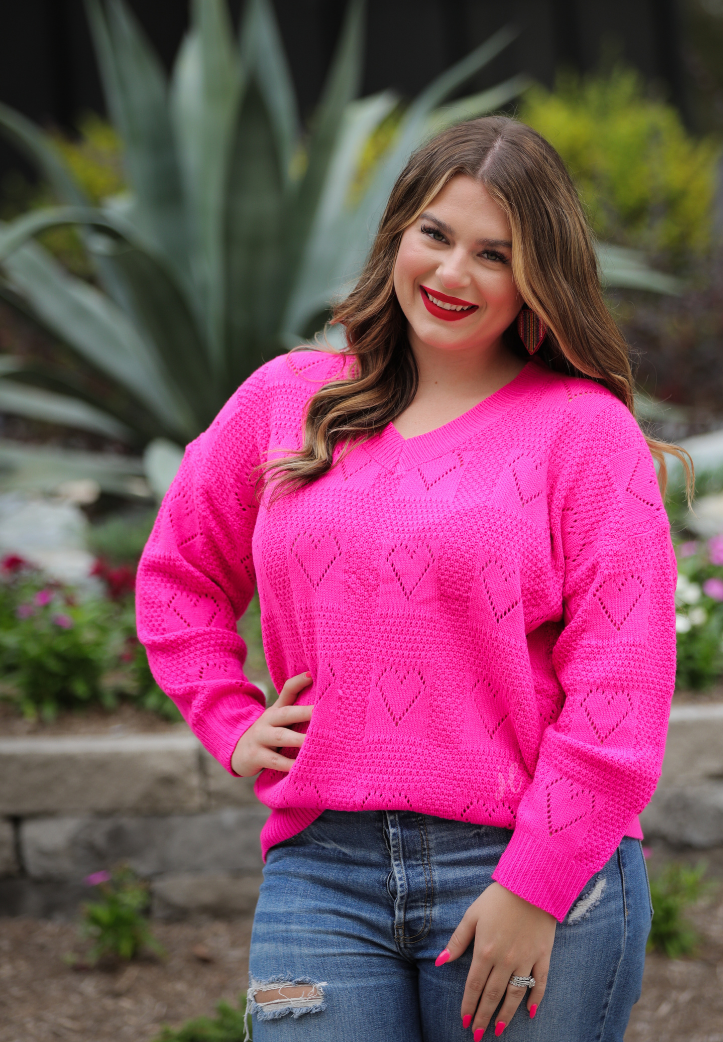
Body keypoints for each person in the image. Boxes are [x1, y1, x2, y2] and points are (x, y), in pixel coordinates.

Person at [136, 116, 687, 1042]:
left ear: (537, 276)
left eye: (494, 254)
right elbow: (178, 573)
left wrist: (534, 886)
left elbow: (620, 693)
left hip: (523, 861)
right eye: (435, 234)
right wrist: (229, 720)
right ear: (398, 230)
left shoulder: (584, 434)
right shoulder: (288, 400)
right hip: (322, 868)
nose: (451, 274)